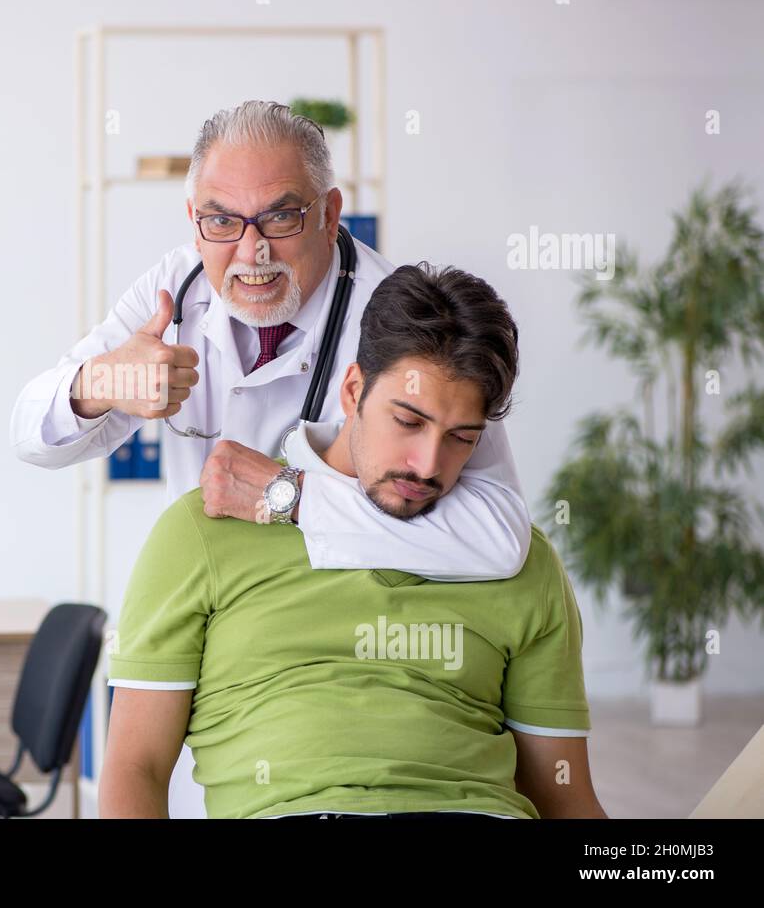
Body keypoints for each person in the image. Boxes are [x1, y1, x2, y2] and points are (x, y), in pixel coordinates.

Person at [11, 99, 532, 816]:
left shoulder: (397, 318)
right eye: (221, 220)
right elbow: (30, 434)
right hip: (217, 649)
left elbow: (501, 533)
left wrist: (291, 497)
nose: (250, 250)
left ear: (329, 213)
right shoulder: (176, 290)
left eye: (281, 218)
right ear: (193, 217)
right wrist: (101, 385)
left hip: (364, 650)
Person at [98, 263, 607, 819]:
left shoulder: (521, 562)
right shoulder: (205, 530)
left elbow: (564, 796)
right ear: (353, 390)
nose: (428, 465)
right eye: (408, 422)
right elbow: (134, 767)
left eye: (461, 438)